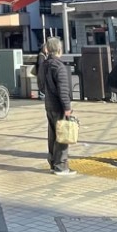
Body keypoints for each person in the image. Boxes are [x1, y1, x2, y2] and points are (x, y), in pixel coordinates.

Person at [38, 36, 75, 175]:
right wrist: (67, 108)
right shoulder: (59, 66)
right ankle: (61, 165)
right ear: (59, 49)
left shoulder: (44, 65)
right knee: (63, 134)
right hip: (59, 105)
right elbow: (63, 91)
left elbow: (41, 86)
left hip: (48, 104)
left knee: (53, 134)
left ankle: (53, 162)